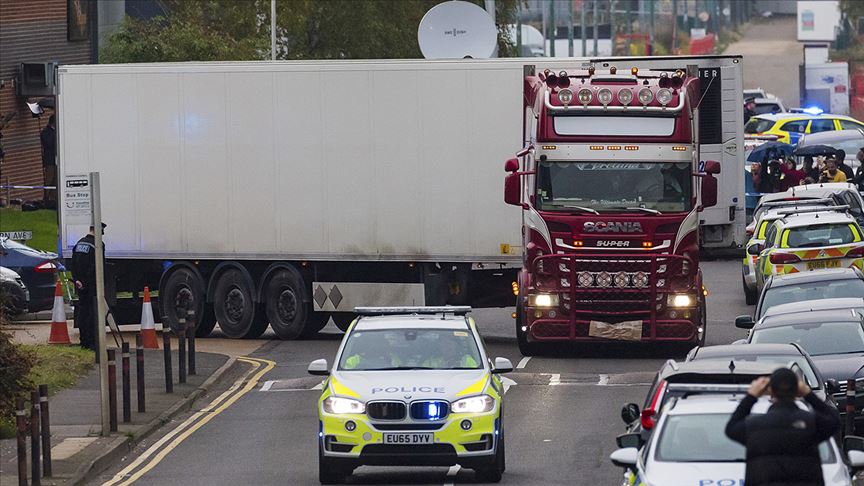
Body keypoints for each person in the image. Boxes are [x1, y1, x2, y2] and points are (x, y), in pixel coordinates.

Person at [725, 368, 840, 486]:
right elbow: (834, 420)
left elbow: (731, 428)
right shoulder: (810, 423)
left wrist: (751, 396)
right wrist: (808, 394)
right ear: (797, 390)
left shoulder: (755, 426)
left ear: (770, 392)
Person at [71, 223, 106, 352]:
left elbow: (73, 264)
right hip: (92, 285)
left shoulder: (79, 243)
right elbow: (98, 267)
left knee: (83, 313)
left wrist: (77, 280)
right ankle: (92, 343)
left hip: (80, 285)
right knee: (92, 314)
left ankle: (83, 341)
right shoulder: (97, 245)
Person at [40, 115, 56, 203]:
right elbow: (48, 143)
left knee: (55, 180)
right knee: (49, 179)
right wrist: (55, 134)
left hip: (56, 160)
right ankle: (46, 198)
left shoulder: (55, 131)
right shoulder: (46, 132)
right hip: (50, 160)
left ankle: (53, 198)